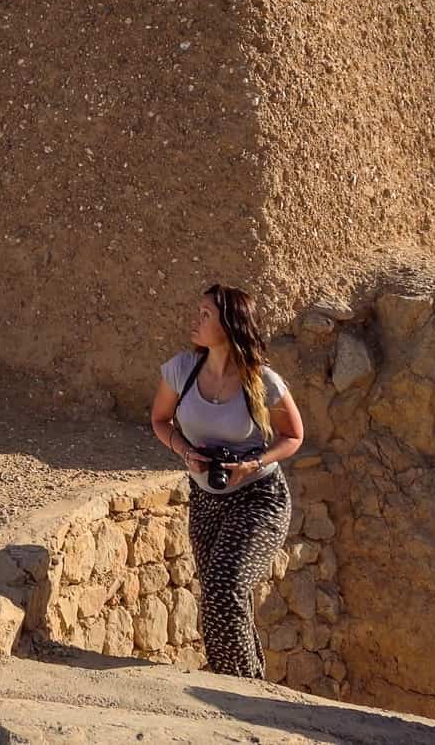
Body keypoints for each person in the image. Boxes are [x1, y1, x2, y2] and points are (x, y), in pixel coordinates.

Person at [149, 283, 306, 678]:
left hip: (258, 497)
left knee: (226, 587)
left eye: (206, 314)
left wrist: (254, 462)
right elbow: (160, 421)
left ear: (230, 323)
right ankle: (236, 678)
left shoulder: (262, 380)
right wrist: (187, 453)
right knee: (219, 595)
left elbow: (293, 437)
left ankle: (243, 686)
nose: (195, 320)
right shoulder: (181, 371)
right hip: (206, 497)